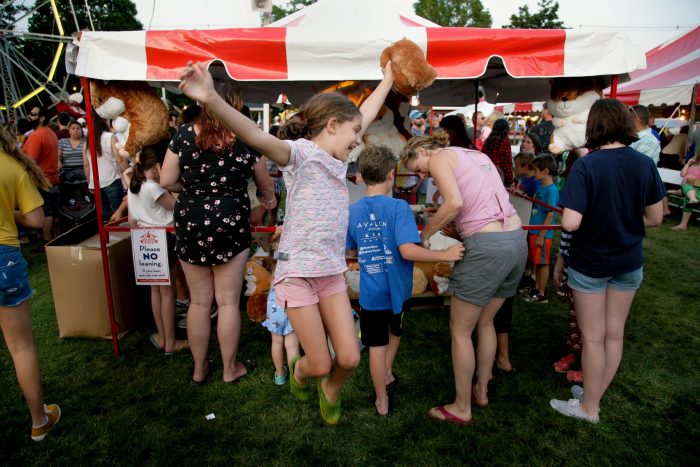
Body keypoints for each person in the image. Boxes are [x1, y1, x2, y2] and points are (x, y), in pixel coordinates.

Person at [177, 60, 394, 424]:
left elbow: (366, 112)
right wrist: (212, 99)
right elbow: (255, 135)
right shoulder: (301, 154)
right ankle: (301, 372)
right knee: (320, 361)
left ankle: (329, 388)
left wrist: (387, 78)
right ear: (332, 125)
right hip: (297, 275)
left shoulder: (339, 160)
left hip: (330, 274)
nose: (359, 138)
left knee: (350, 358)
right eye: (355, 131)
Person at [549, 98, 665, 424]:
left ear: (594, 127)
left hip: (591, 264)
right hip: (628, 262)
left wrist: (596, 217)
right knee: (614, 336)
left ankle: (589, 407)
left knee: (593, 339)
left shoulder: (587, 165)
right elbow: (656, 217)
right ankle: (592, 396)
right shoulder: (644, 163)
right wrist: (622, 219)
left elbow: (570, 223)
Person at [401, 132, 527, 425]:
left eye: (419, 167)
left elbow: (455, 203)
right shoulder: (475, 154)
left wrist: (426, 232)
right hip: (515, 240)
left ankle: (461, 406)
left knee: (460, 331)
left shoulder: (442, 156)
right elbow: (479, 201)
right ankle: (480, 390)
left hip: (488, 249)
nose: (422, 174)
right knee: (486, 322)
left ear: (423, 149)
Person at [161, 79, 276, 387]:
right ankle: (229, 368)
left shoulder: (183, 134)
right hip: (230, 220)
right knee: (226, 302)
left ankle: (199, 369)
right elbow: (266, 186)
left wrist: (195, 189)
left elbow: (166, 179)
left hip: (191, 218)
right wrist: (268, 201)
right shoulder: (246, 137)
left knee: (199, 302)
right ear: (234, 105)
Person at [346, 144, 464, 416]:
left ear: (362, 175)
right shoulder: (399, 207)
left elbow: (352, 249)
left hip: (371, 292)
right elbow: (408, 250)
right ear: (391, 174)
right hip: (397, 291)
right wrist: (443, 254)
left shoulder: (353, 211)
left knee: (379, 344)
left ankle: (382, 393)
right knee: (393, 332)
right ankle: (383, 384)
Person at [0, 124, 61, 441]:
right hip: (3, 257)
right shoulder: (11, 166)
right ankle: (39, 419)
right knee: (20, 346)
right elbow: (37, 220)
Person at [128, 141, 189, 355]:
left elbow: (131, 220)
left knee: (156, 291)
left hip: (144, 240)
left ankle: (163, 337)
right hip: (163, 238)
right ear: (157, 166)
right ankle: (170, 341)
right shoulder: (153, 187)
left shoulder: (134, 185)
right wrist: (170, 186)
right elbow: (179, 207)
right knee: (168, 292)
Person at [522, 155, 559, 304]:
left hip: (541, 234)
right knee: (536, 261)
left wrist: (542, 235)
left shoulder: (551, 190)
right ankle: (536, 288)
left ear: (545, 171)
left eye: (536, 170)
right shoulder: (541, 187)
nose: (533, 172)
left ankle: (541, 293)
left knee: (543, 263)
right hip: (534, 231)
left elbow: (550, 215)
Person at [22, 107, 59, 243]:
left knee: (47, 213)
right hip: (53, 179)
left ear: (42, 118)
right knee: (54, 212)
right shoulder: (51, 133)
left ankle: (47, 241)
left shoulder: (36, 136)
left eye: (33, 114)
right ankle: (57, 238)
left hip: (42, 181)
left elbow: (31, 162)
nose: (29, 116)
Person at [82, 112, 126, 220]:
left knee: (105, 217)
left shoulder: (87, 141)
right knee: (119, 215)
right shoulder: (110, 137)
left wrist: (89, 182)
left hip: (95, 183)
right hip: (112, 179)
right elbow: (119, 159)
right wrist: (127, 173)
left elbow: (86, 165)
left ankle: (110, 237)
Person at [262, 284, 300, 386]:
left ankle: (279, 374)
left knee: (276, 342)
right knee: (292, 345)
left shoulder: (276, 272)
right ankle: (295, 378)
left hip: (275, 302)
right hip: (294, 300)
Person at [481, 118, 514, 187]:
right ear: (506, 129)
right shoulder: (504, 141)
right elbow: (507, 164)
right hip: (499, 176)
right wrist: (510, 181)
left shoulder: (488, 141)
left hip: (486, 174)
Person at [671, 154, 700, 230]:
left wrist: (692, 182)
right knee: (686, 188)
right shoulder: (692, 166)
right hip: (687, 189)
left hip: (697, 189)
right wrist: (688, 164)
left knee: (687, 189)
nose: (694, 156)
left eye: (695, 155)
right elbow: (682, 174)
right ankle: (693, 199)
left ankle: (683, 225)